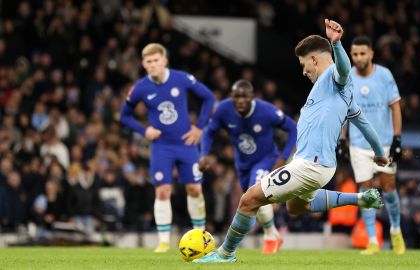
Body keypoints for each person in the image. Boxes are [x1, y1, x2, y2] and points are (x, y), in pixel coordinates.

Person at [193, 19, 389, 263]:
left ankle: (225, 254)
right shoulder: (338, 95)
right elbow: (365, 124)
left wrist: (336, 44)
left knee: (248, 199)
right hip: (321, 166)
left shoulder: (333, 78)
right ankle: (360, 199)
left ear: (315, 59)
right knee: (296, 207)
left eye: (304, 64)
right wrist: (380, 152)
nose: (303, 71)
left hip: (310, 165)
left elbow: (344, 71)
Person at [120, 43, 215, 253]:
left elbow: (209, 97)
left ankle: (200, 236)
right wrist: (144, 131)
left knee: (194, 188)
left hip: (186, 143)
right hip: (161, 146)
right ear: (143, 64)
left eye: (156, 60)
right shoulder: (141, 87)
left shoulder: (181, 78)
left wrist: (199, 127)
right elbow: (124, 115)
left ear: (164, 61)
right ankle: (163, 241)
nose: (152, 64)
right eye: (148, 61)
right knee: (163, 191)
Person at [199, 79, 297, 254]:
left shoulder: (267, 111)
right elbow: (209, 132)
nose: (241, 100)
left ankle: (268, 238)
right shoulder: (223, 109)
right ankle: (273, 233)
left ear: (252, 97)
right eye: (237, 96)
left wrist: (283, 158)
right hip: (243, 163)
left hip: (266, 159)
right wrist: (204, 154)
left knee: (256, 193)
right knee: (252, 201)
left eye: (245, 96)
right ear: (231, 97)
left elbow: (293, 128)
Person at [337, 36, 405, 255]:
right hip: (358, 145)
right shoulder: (347, 78)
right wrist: (342, 139)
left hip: (384, 143)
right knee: (366, 192)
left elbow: (395, 107)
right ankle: (372, 241)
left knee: (388, 189)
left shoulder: (384, 75)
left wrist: (397, 139)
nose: (358, 58)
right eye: (355, 54)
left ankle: (395, 230)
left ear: (371, 54)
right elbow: (344, 112)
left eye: (362, 53)